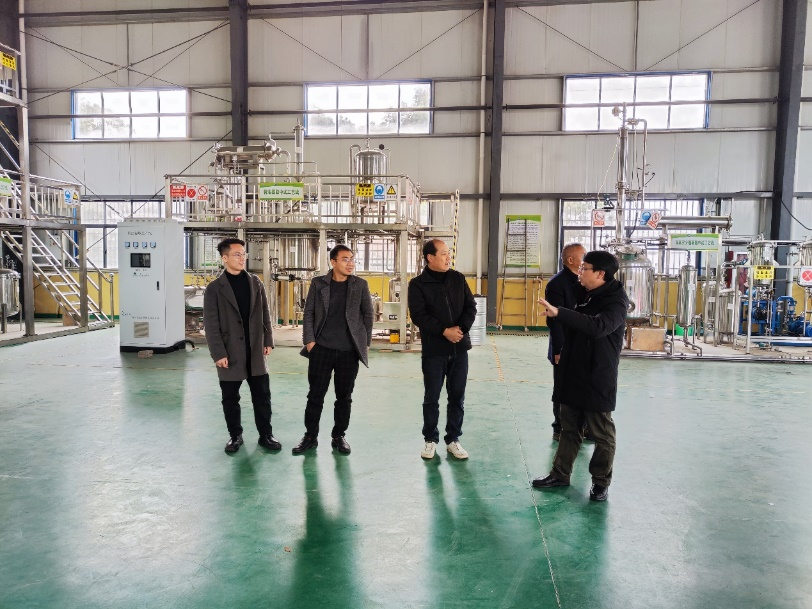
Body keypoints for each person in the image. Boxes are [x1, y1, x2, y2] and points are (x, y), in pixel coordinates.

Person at [532, 250, 628, 501]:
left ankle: (600, 482)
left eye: (585, 268)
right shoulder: (585, 293)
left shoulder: (616, 301)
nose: (580, 272)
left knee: (601, 433)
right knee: (569, 427)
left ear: (600, 274)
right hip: (574, 370)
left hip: (597, 374)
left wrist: (560, 313)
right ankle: (560, 474)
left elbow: (598, 327)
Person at [292, 244, 373, 455]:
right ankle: (310, 436)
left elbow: (368, 315)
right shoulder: (318, 283)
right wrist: (310, 341)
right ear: (333, 262)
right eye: (345, 259)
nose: (350, 263)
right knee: (315, 395)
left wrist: (365, 342)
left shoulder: (360, 285)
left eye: (352, 259)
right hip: (322, 349)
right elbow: (309, 312)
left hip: (349, 351)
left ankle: (339, 436)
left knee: (344, 397)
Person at [203, 237, 281, 454]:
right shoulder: (214, 289)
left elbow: (265, 314)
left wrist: (268, 340)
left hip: (255, 349)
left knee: (262, 396)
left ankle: (266, 435)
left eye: (243, 254)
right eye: (236, 254)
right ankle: (235, 436)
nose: (242, 258)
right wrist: (218, 353)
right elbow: (211, 325)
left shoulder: (255, 283)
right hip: (230, 352)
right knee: (230, 398)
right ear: (224, 258)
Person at [408, 239, 478, 460]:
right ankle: (430, 439)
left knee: (457, 396)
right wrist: (444, 331)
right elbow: (419, 315)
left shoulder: (458, 278)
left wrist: (460, 330)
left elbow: (471, 307)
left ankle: (453, 439)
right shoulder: (418, 284)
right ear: (430, 257)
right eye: (444, 253)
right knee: (432, 397)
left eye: (449, 253)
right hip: (434, 350)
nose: (449, 257)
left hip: (459, 348)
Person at [545, 243, 586, 441]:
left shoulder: (584, 280)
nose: (585, 261)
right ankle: (560, 428)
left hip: (582, 343)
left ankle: (583, 427)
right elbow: (554, 321)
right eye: (583, 256)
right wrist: (559, 349)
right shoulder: (557, 284)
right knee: (562, 388)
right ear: (571, 260)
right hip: (564, 344)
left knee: (583, 386)